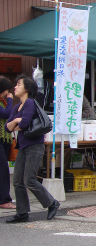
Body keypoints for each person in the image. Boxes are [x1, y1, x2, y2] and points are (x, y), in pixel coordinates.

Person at [5, 75, 59, 223]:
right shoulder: (17, 107)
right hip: (23, 146)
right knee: (17, 181)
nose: (15, 87)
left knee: (29, 180)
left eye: (18, 84)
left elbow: (23, 125)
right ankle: (22, 213)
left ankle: (52, 203)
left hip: (34, 146)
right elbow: (8, 127)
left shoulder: (29, 103)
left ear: (27, 89)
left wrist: (16, 122)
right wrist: (16, 121)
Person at [0, 77, 16, 209]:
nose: (7, 92)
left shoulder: (2, 101)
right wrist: (10, 99)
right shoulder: (4, 102)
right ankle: (4, 200)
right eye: (6, 89)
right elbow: (7, 114)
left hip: (4, 139)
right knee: (3, 170)